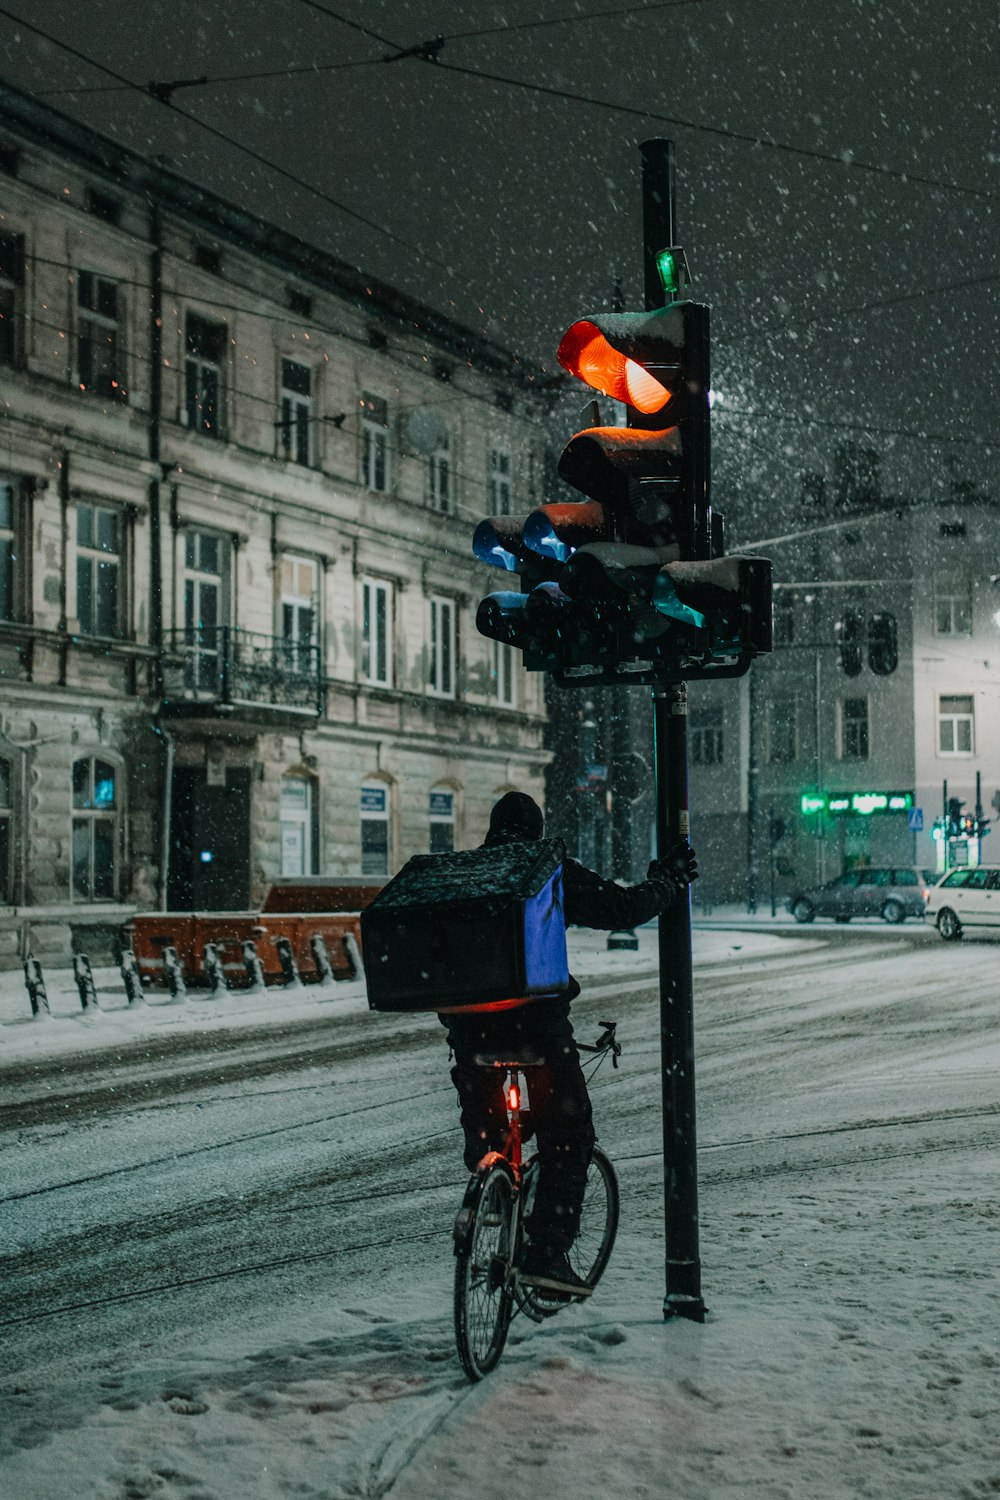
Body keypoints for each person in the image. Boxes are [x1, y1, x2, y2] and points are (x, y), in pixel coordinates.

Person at [439, 790, 698, 1298]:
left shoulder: (466, 874)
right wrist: (666, 883)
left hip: (471, 1035)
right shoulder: (547, 869)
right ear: (536, 830)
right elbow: (622, 908)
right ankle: (548, 1253)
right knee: (569, 1132)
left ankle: (488, 1176)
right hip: (536, 1032)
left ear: (492, 830)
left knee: (486, 1108)